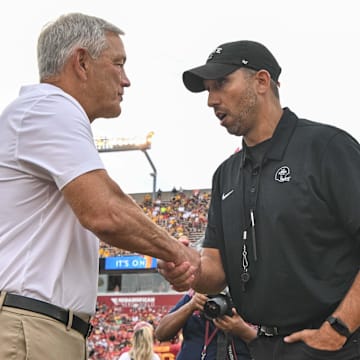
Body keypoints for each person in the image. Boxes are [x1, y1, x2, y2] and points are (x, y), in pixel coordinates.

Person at [0, 12, 199, 360]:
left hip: (34, 323)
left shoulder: (41, 111)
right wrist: (179, 254)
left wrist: (164, 248)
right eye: (118, 64)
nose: (126, 80)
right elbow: (105, 211)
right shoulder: (52, 107)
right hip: (28, 324)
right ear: (81, 62)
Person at [157, 40, 360, 359]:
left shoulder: (326, 148)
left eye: (221, 84)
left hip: (333, 345)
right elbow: (216, 270)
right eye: (208, 90)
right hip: (258, 346)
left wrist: (339, 328)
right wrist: (188, 267)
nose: (211, 100)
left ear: (262, 81)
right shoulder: (226, 174)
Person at [155, 289, 255, 359]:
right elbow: (161, 334)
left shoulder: (251, 296)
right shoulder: (196, 294)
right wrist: (190, 306)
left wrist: (242, 330)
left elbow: (268, 345)